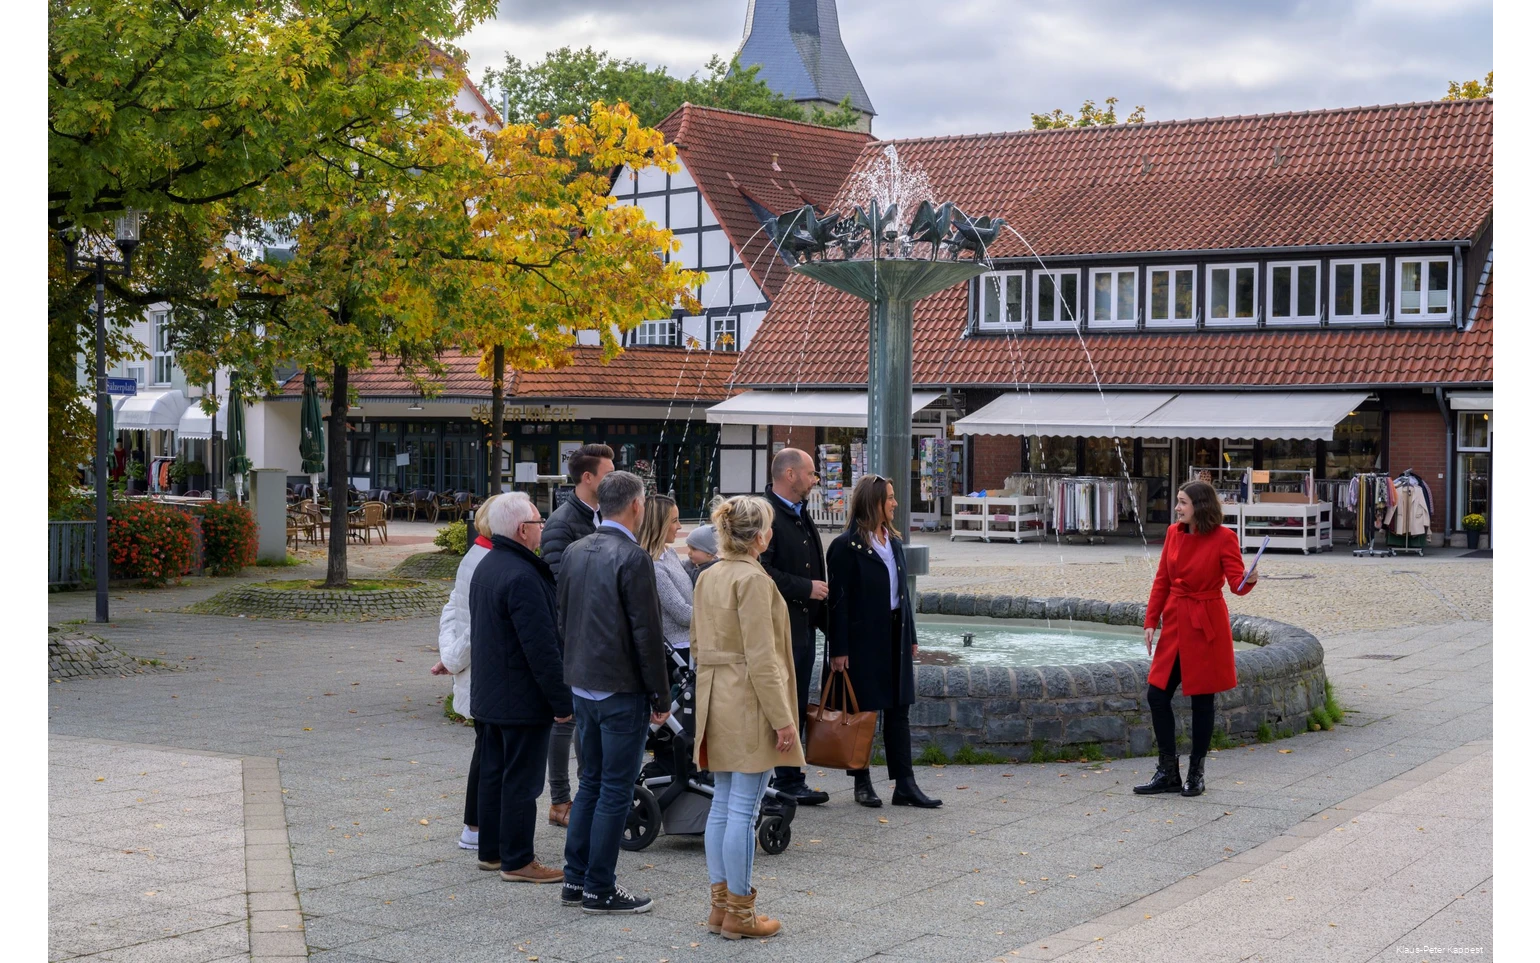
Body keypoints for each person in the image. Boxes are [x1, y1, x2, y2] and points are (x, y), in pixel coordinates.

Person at [556, 470, 672, 915]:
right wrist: (661, 697)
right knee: (614, 791)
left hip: (584, 684)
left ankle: (576, 878)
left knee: (591, 785)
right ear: (637, 506)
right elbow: (647, 634)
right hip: (620, 689)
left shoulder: (574, 550)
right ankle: (599, 887)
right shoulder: (633, 557)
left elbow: (563, 619)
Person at [692, 495, 800, 939]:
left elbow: (696, 645)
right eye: (769, 528)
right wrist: (783, 719)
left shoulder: (708, 575)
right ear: (759, 538)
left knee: (721, 802)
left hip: (715, 693)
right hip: (748, 698)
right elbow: (763, 658)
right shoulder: (754, 581)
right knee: (743, 806)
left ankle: (721, 907)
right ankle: (739, 910)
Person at [467, 493, 571, 883]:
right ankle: (518, 860)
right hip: (520, 696)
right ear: (522, 529)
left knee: (494, 773)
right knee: (522, 781)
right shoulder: (523, 573)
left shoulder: (489, 564)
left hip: (492, 692)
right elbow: (541, 647)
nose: (542, 528)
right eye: (538, 521)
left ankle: (492, 852)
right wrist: (561, 700)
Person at [1136, 479, 1259, 798]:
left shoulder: (1224, 537)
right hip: (1176, 621)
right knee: (1157, 694)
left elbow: (1236, 584)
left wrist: (1250, 579)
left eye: (1182, 502)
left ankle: (1196, 773)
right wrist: (1151, 620)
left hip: (1206, 623)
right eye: (1177, 501)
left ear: (1199, 506)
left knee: (1202, 700)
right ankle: (1167, 772)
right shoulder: (1173, 533)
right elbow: (1162, 578)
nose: (1176, 508)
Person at [826, 475, 942, 809]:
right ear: (872, 502)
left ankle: (905, 784)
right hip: (863, 640)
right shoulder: (845, 547)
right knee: (862, 711)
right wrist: (839, 649)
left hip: (895, 634)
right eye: (889, 498)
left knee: (899, 710)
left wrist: (912, 636)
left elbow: (902, 594)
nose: (894, 503)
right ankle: (861, 782)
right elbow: (838, 603)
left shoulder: (893, 542)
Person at [541, 443, 615, 828]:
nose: (613, 478)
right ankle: (559, 801)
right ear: (587, 478)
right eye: (608, 472)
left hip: (594, 637)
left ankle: (590, 792)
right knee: (566, 719)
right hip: (569, 637)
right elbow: (560, 586)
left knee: (586, 720)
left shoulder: (601, 516)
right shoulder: (562, 523)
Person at [430, 492, 506, 852]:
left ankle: (475, 827)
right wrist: (454, 658)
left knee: (485, 750)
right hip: (484, 673)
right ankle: (476, 828)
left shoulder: (475, 555)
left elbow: (453, 609)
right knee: (489, 754)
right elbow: (475, 623)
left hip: (475, 670)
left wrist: (449, 655)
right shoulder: (485, 560)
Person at [757, 447, 830, 806]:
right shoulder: (765, 515)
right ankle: (782, 779)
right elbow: (760, 570)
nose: (814, 479)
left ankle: (789, 776)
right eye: (810, 473)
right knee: (783, 703)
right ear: (790, 475)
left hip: (803, 626)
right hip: (780, 627)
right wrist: (806, 588)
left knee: (797, 701)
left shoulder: (798, 511)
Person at [639, 494, 692, 654]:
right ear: (659, 525)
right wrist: (717, 613)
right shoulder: (655, 567)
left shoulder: (669, 552)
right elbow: (683, 614)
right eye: (674, 521)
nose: (680, 526)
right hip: (678, 649)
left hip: (690, 642)